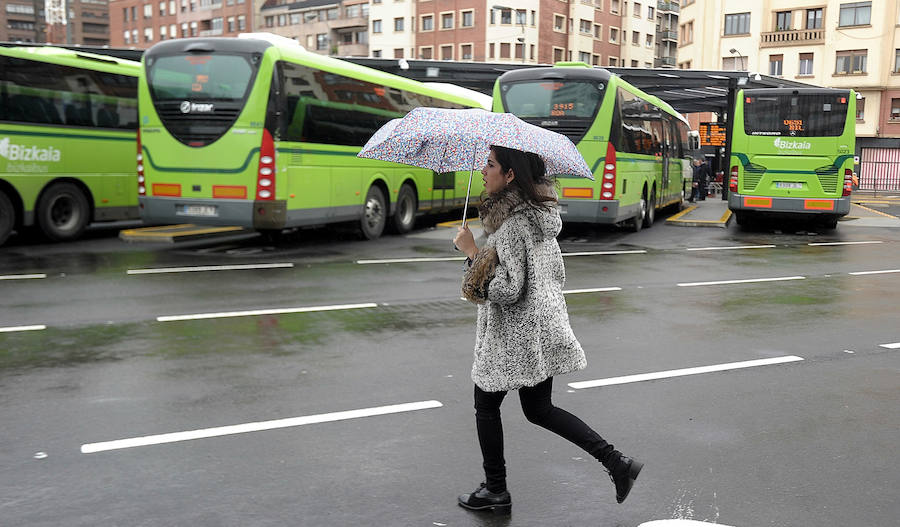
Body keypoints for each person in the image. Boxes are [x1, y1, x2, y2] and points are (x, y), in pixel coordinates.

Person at [452, 145, 643, 515]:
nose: (483, 171)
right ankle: (617, 463)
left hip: (515, 337)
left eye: (490, 165)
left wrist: (472, 252)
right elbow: (555, 275)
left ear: (509, 176)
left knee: (485, 405)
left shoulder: (512, 227)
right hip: (540, 329)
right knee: (539, 409)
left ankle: (496, 490)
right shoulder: (540, 215)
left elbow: (507, 289)